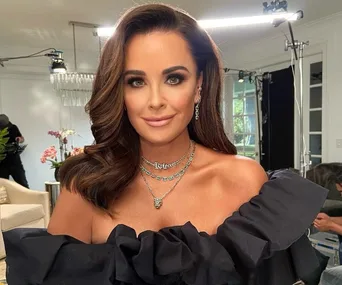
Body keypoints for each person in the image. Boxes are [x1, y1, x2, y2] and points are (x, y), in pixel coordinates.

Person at [4, 4, 329, 285]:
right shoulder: (87, 188)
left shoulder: (244, 178)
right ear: (119, 91)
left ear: (199, 85)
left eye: (174, 78)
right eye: (136, 81)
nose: (155, 101)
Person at [0, 114, 29, 188]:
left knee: (23, 184)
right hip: (1, 162)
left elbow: (22, 138)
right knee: (2, 187)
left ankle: (28, 198)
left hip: (14, 160)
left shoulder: (13, 127)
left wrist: (19, 139)